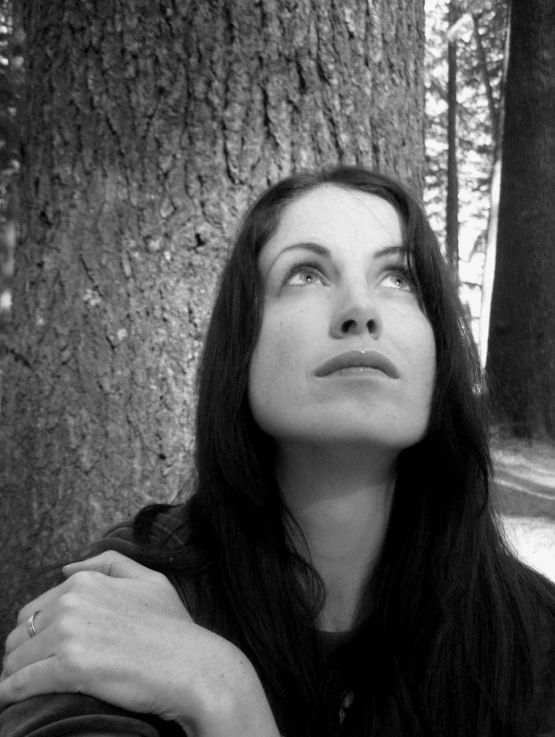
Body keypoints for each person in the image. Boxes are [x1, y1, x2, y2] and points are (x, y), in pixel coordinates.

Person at [0, 166, 554, 737]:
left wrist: (224, 694)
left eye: (398, 278)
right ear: (242, 346)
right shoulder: (136, 590)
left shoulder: (535, 639)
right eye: (306, 274)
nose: (361, 309)